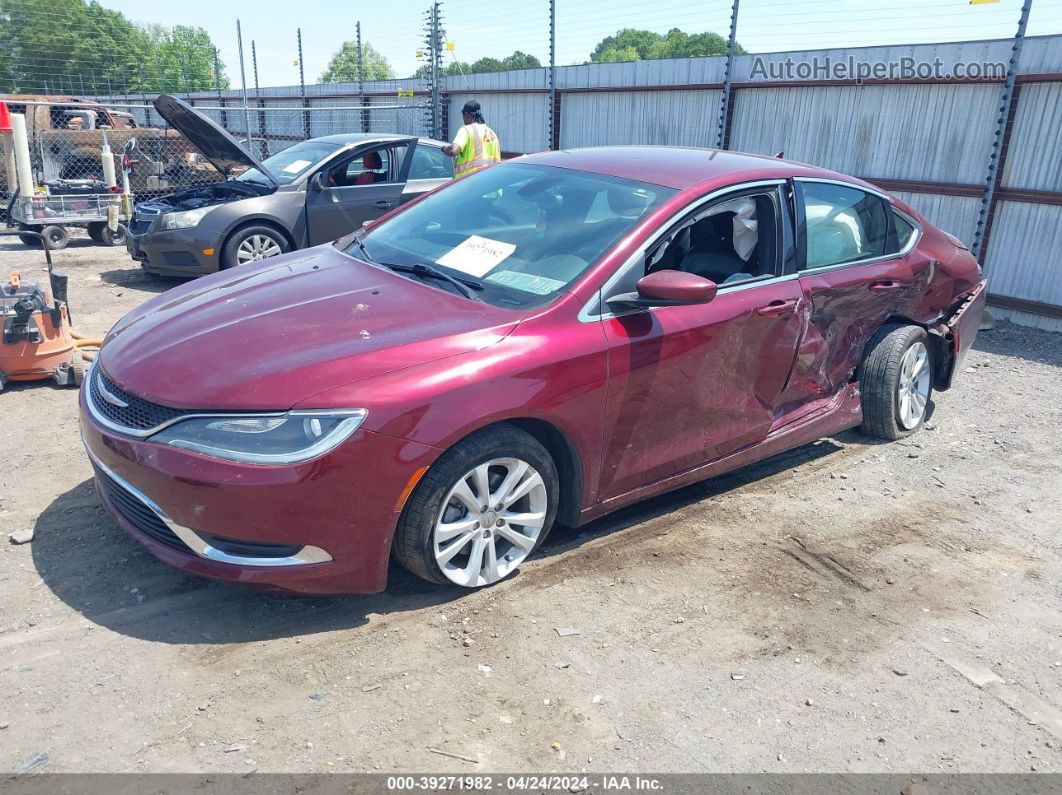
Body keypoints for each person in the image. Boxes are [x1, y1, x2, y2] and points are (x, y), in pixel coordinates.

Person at [443, 100, 501, 179]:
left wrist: (444, 149)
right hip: (492, 186)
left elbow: (453, 151)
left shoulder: (466, 130)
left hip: (471, 185)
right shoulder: (492, 133)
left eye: (463, 116)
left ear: (467, 115)